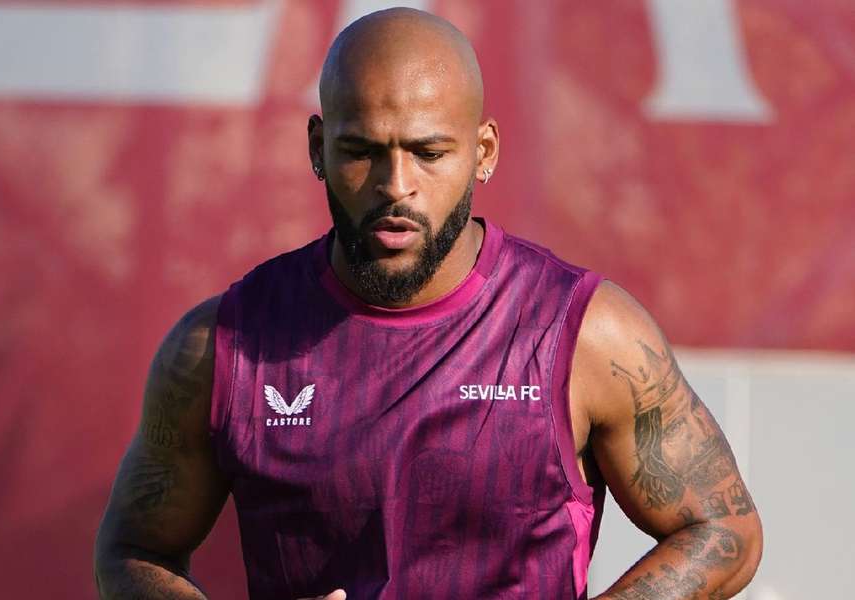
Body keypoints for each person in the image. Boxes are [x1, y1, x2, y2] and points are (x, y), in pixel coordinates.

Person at [94, 8, 762, 599]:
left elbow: (721, 527)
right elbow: (131, 551)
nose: (397, 185)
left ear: (483, 152)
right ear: (317, 148)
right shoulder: (221, 347)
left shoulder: (586, 333)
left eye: (428, 151)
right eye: (362, 151)